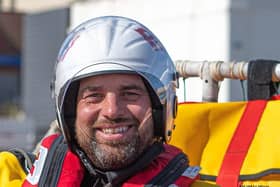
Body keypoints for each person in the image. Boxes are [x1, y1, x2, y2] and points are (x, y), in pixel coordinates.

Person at [19, 16, 206, 186]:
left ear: (161, 108)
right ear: (68, 113)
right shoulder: (10, 175)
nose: (112, 111)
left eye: (130, 94)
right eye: (94, 96)